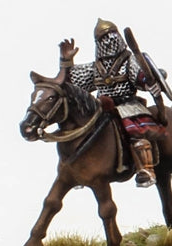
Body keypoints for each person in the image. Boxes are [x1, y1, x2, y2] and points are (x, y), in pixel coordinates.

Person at [59, 19, 166, 187]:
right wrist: (66, 61)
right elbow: (71, 83)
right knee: (84, 132)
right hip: (101, 107)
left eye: (112, 36)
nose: (109, 41)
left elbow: (139, 76)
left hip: (128, 106)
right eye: (104, 38)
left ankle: (145, 169)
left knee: (135, 132)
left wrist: (148, 81)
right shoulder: (94, 68)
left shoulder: (129, 61)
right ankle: (81, 170)